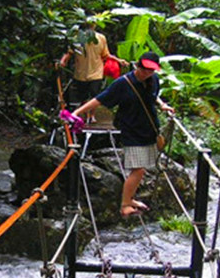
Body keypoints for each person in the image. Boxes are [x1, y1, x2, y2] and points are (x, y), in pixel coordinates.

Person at [70, 51, 175, 217]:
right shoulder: (123, 83)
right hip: (131, 129)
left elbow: (153, 96)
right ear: (138, 65)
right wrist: (77, 112)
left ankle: (130, 199)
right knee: (138, 170)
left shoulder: (153, 79)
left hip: (149, 128)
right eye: (145, 69)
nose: (148, 73)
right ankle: (125, 204)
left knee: (143, 168)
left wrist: (163, 105)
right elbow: (101, 98)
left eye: (151, 70)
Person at [58, 22, 126, 120]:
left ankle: (92, 115)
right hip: (81, 73)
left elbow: (105, 54)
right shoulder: (77, 38)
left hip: (96, 72)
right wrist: (63, 61)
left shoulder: (100, 38)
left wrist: (119, 60)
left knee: (95, 96)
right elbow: (70, 52)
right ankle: (87, 115)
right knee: (84, 96)